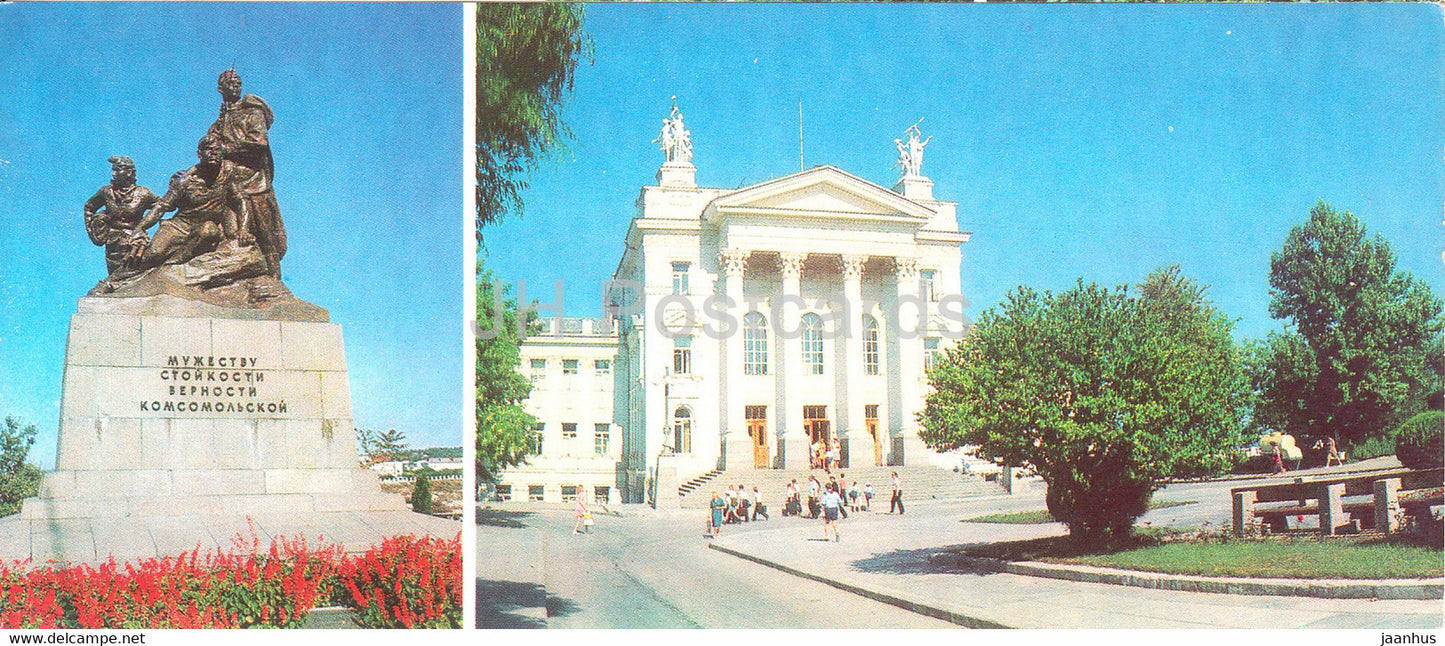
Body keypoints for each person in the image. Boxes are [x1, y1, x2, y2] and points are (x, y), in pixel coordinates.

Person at [208, 69, 286, 278]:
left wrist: (226, 148)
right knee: (228, 235)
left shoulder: (252, 112)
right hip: (227, 182)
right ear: (220, 88)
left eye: (238, 83)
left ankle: (275, 284)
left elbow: (258, 142)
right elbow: (210, 145)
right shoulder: (220, 121)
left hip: (254, 182)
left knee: (266, 238)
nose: (236, 86)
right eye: (231, 83)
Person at [127, 135, 234, 273]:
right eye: (208, 149)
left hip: (203, 228)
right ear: (199, 154)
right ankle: (114, 281)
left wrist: (243, 230)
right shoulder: (185, 180)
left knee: (209, 230)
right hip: (179, 226)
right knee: (153, 253)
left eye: (217, 149)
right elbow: (161, 207)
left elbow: (240, 199)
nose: (213, 153)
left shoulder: (228, 174)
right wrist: (140, 228)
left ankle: (168, 269)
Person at [84, 156, 159, 275]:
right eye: (113, 170)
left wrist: (144, 225)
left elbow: (160, 206)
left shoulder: (143, 193)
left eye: (117, 170)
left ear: (129, 173)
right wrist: (94, 231)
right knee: (115, 278)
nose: (113, 174)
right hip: (113, 245)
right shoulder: (106, 192)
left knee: (135, 277)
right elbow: (89, 207)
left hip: (135, 243)